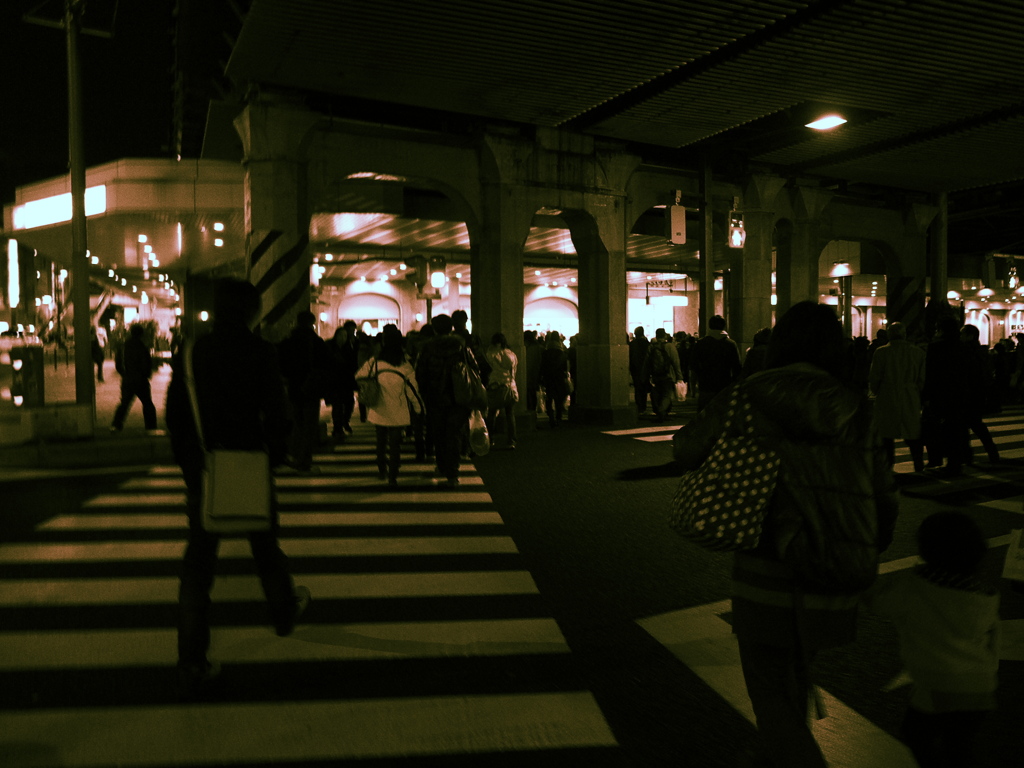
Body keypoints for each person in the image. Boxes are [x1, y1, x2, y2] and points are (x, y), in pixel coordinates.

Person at [673, 301, 898, 767]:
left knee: (768, 683)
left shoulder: (750, 394)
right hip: (835, 563)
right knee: (795, 670)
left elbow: (687, 447)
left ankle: (788, 753)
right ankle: (777, 750)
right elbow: (884, 494)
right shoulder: (856, 406)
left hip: (766, 564)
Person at [165, 278, 310, 699]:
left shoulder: (192, 352)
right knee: (265, 545)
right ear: (251, 311)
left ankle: (192, 662)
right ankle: (283, 611)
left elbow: (177, 417)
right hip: (250, 464)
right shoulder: (261, 352)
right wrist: (274, 451)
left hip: (207, 469)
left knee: (198, 567)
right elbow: (278, 414)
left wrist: (193, 468)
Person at [864, 512, 999, 768]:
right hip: (981, 686)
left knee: (917, 736)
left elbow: (879, 603)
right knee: (959, 747)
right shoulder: (984, 594)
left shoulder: (915, 587)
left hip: (939, 682)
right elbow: (992, 638)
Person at [355, 325, 422, 484]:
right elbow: (413, 391)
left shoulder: (375, 363)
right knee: (395, 445)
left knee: (380, 442)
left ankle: (381, 470)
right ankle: (393, 475)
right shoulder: (406, 366)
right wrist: (419, 408)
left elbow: (358, 376)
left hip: (379, 408)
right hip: (398, 411)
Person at [416, 313, 475, 486]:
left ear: (434, 329)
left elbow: (420, 374)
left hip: (435, 397)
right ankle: (453, 474)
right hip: (458, 397)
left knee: (438, 433)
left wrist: (425, 393)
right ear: (451, 328)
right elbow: (474, 368)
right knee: (454, 435)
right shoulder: (461, 346)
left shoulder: (427, 348)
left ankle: (441, 466)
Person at [869, 321, 926, 472]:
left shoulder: (881, 352)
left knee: (886, 435)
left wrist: (875, 391)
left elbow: (874, 378)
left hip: (887, 395)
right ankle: (918, 465)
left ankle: (888, 467)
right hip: (910, 395)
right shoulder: (917, 352)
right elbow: (922, 379)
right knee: (912, 434)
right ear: (904, 334)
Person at [277, 311, 330, 471]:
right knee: (309, 425)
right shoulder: (317, 342)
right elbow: (327, 364)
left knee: (297, 424)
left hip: (294, 387)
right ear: (312, 323)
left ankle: (295, 455)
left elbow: (281, 365)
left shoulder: (288, 342)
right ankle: (305, 459)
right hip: (311, 389)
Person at [922, 315, 970, 477]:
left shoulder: (936, 347)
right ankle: (956, 462)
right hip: (960, 393)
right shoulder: (963, 347)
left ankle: (941, 460)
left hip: (941, 393)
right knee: (957, 429)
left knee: (940, 428)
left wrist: (927, 396)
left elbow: (931, 374)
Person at [960, 324, 1000, 465]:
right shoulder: (983, 351)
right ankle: (991, 451)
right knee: (977, 424)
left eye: (963, 334)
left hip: (968, 392)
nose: (961, 337)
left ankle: (968, 455)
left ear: (970, 336)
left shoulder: (966, 351)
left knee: (966, 426)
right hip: (979, 392)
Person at [110, 323, 157, 431]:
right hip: (141, 380)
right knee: (147, 404)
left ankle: (116, 424)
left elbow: (118, 364)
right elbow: (146, 364)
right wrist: (146, 374)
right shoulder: (142, 347)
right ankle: (151, 426)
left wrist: (124, 373)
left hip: (128, 379)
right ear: (141, 334)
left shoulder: (123, 346)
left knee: (124, 403)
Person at [690, 314, 741, 411]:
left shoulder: (701, 344)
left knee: (705, 414)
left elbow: (694, 367)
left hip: (705, 385)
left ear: (709, 326)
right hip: (724, 385)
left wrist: (693, 387)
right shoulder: (730, 344)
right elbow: (737, 367)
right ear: (724, 326)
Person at [484, 332, 518, 449]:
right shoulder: (512, 354)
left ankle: (490, 439)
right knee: (510, 414)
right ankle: (511, 441)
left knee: (492, 413)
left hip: (496, 386)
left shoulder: (492, 353)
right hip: (510, 387)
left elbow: (489, 362)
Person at [325, 326, 358, 442]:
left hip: (346, 381)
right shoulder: (330, 346)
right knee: (337, 405)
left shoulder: (349, 347)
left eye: (345, 335)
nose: (343, 338)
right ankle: (337, 428)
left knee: (349, 403)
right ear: (336, 335)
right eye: (341, 335)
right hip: (334, 381)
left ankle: (345, 422)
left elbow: (353, 363)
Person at [642, 328, 682, 421]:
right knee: (666, 394)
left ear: (656, 336)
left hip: (655, 375)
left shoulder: (651, 347)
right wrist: (679, 376)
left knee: (656, 393)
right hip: (668, 375)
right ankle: (662, 410)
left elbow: (646, 363)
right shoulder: (670, 346)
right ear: (665, 336)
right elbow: (676, 362)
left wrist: (644, 376)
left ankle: (660, 411)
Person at [539, 331, 570, 428]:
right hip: (559, 377)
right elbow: (566, 368)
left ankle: (551, 417)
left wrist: (541, 377)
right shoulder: (562, 352)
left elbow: (542, 366)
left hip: (549, 377)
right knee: (559, 398)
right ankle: (559, 417)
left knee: (549, 398)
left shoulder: (546, 352)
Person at [628, 326, 652, 415]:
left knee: (638, 388)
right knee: (644, 388)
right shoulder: (646, 343)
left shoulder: (632, 344)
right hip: (645, 369)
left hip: (635, 369)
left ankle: (639, 406)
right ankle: (643, 406)